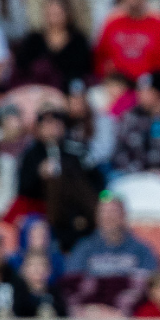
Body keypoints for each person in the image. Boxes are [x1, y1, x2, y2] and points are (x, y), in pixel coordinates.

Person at [15, 105, 102, 249]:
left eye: (56, 124)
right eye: (46, 124)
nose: (52, 128)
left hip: (81, 207)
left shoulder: (77, 150)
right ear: (38, 128)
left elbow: (97, 180)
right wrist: (39, 174)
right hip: (46, 209)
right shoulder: (32, 155)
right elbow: (23, 189)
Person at [64, 193, 158, 313]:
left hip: (129, 316)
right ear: (97, 217)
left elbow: (148, 286)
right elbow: (73, 286)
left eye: (113, 212)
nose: (108, 217)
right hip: (91, 314)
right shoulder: (83, 249)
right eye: (104, 212)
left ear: (123, 215)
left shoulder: (141, 249)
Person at [13, 0, 92, 90]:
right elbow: (22, 68)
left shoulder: (78, 41)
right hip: (36, 91)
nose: (54, 17)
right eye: (51, 13)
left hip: (68, 93)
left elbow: (83, 71)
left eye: (58, 13)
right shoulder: (33, 40)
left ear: (67, 13)